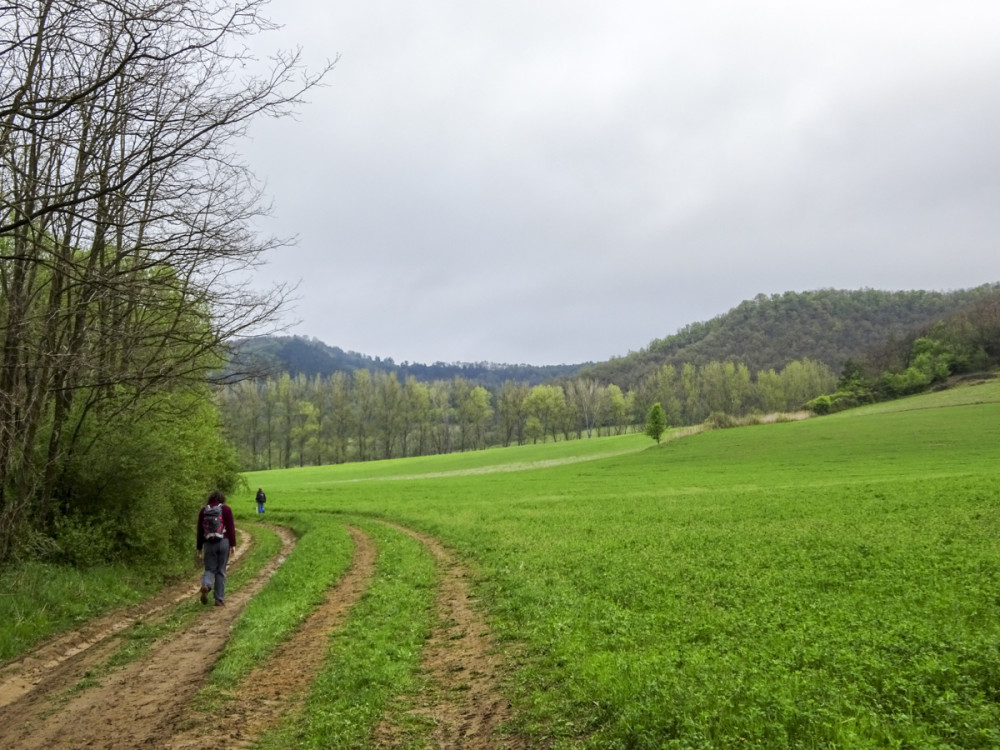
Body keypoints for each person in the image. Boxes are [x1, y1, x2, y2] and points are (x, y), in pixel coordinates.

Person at [196, 490, 236, 607]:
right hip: (224, 541)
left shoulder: (204, 510)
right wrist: (233, 544)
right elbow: (231, 527)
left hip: (208, 543)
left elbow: (200, 531)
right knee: (221, 571)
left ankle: (206, 586)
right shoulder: (226, 509)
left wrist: (199, 547)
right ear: (222, 499)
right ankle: (219, 599)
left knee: (209, 569)